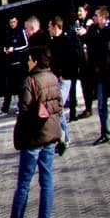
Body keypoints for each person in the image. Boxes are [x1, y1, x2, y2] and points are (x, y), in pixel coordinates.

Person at [0, 42, 62, 218]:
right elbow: (59, 105)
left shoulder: (30, 81)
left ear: (35, 61)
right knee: (47, 180)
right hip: (50, 134)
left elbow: (24, 109)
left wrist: (21, 133)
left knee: (24, 182)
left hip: (34, 137)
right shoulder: (53, 77)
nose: (27, 62)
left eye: (28, 59)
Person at [82, 6, 110, 144]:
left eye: (96, 15)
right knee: (101, 104)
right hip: (101, 73)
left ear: (103, 17)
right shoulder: (94, 30)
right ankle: (105, 133)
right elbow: (87, 43)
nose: (93, 17)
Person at [47, 17, 79, 153]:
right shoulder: (52, 42)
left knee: (57, 108)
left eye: (50, 26)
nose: (48, 29)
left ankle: (65, 139)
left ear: (56, 27)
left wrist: (64, 74)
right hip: (56, 80)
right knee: (57, 109)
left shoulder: (66, 41)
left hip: (65, 79)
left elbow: (73, 59)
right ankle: (62, 138)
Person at [0, 14, 29, 116]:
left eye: (14, 22)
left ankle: (21, 107)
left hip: (20, 64)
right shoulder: (8, 32)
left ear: (17, 22)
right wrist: (5, 50)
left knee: (21, 87)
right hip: (10, 64)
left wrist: (14, 49)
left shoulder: (21, 31)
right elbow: (3, 45)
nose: (12, 24)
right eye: (11, 22)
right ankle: (5, 109)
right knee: (8, 88)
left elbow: (26, 45)